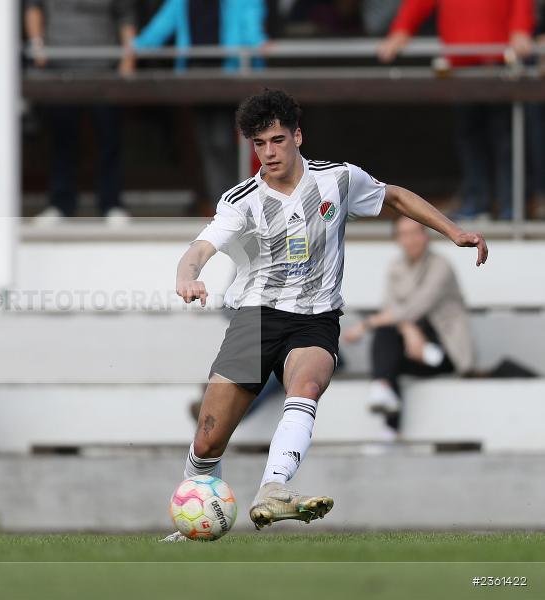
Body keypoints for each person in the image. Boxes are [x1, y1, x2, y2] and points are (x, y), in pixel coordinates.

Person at [164, 89, 487, 541]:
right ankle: (192, 521)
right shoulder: (243, 200)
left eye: (277, 140)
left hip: (315, 319)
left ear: (298, 135)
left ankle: (273, 489)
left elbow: (393, 197)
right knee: (207, 441)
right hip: (256, 317)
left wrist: (454, 231)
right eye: (259, 144)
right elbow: (199, 249)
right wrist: (188, 275)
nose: (269, 153)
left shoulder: (338, 180)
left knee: (308, 383)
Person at [378, 0, 535, 221]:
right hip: (460, 67)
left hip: (499, 65)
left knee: (506, 141)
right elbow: (418, 4)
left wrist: (521, 29)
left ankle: (511, 207)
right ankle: (477, 203)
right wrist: (401, 30)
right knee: (469, 138)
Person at [135, 0, 267, 215]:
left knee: (222, 139)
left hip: (228, 73)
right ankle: (222, 204)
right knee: (206, 141)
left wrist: (259, 42)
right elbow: (159, 28)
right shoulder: (181, 2)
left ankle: (238, 201)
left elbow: (250, 24)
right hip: (195, 74)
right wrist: (134, 48)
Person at [342, 216, 474, 431]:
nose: (411, 239)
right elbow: (391, 307)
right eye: (404, 234)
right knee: (387, 354)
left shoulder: (441, 265)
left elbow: (417, 306)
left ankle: (387, 420)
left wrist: (367, 324)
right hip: (413, 350)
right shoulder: (396, 267)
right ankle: (385, 403)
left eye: (416, 232)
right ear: (397, 239)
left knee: (385, 344)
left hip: (443, 353)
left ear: (426, 236)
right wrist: (408, 329)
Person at [26, 0, 136, 226]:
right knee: (62, 138)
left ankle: (111, 204)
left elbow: (126, 18)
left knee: (109, 137)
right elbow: (33, 7)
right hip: (58, 67)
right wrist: (37, 46)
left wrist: (128, 60)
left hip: (105, 69)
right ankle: (60, 204)